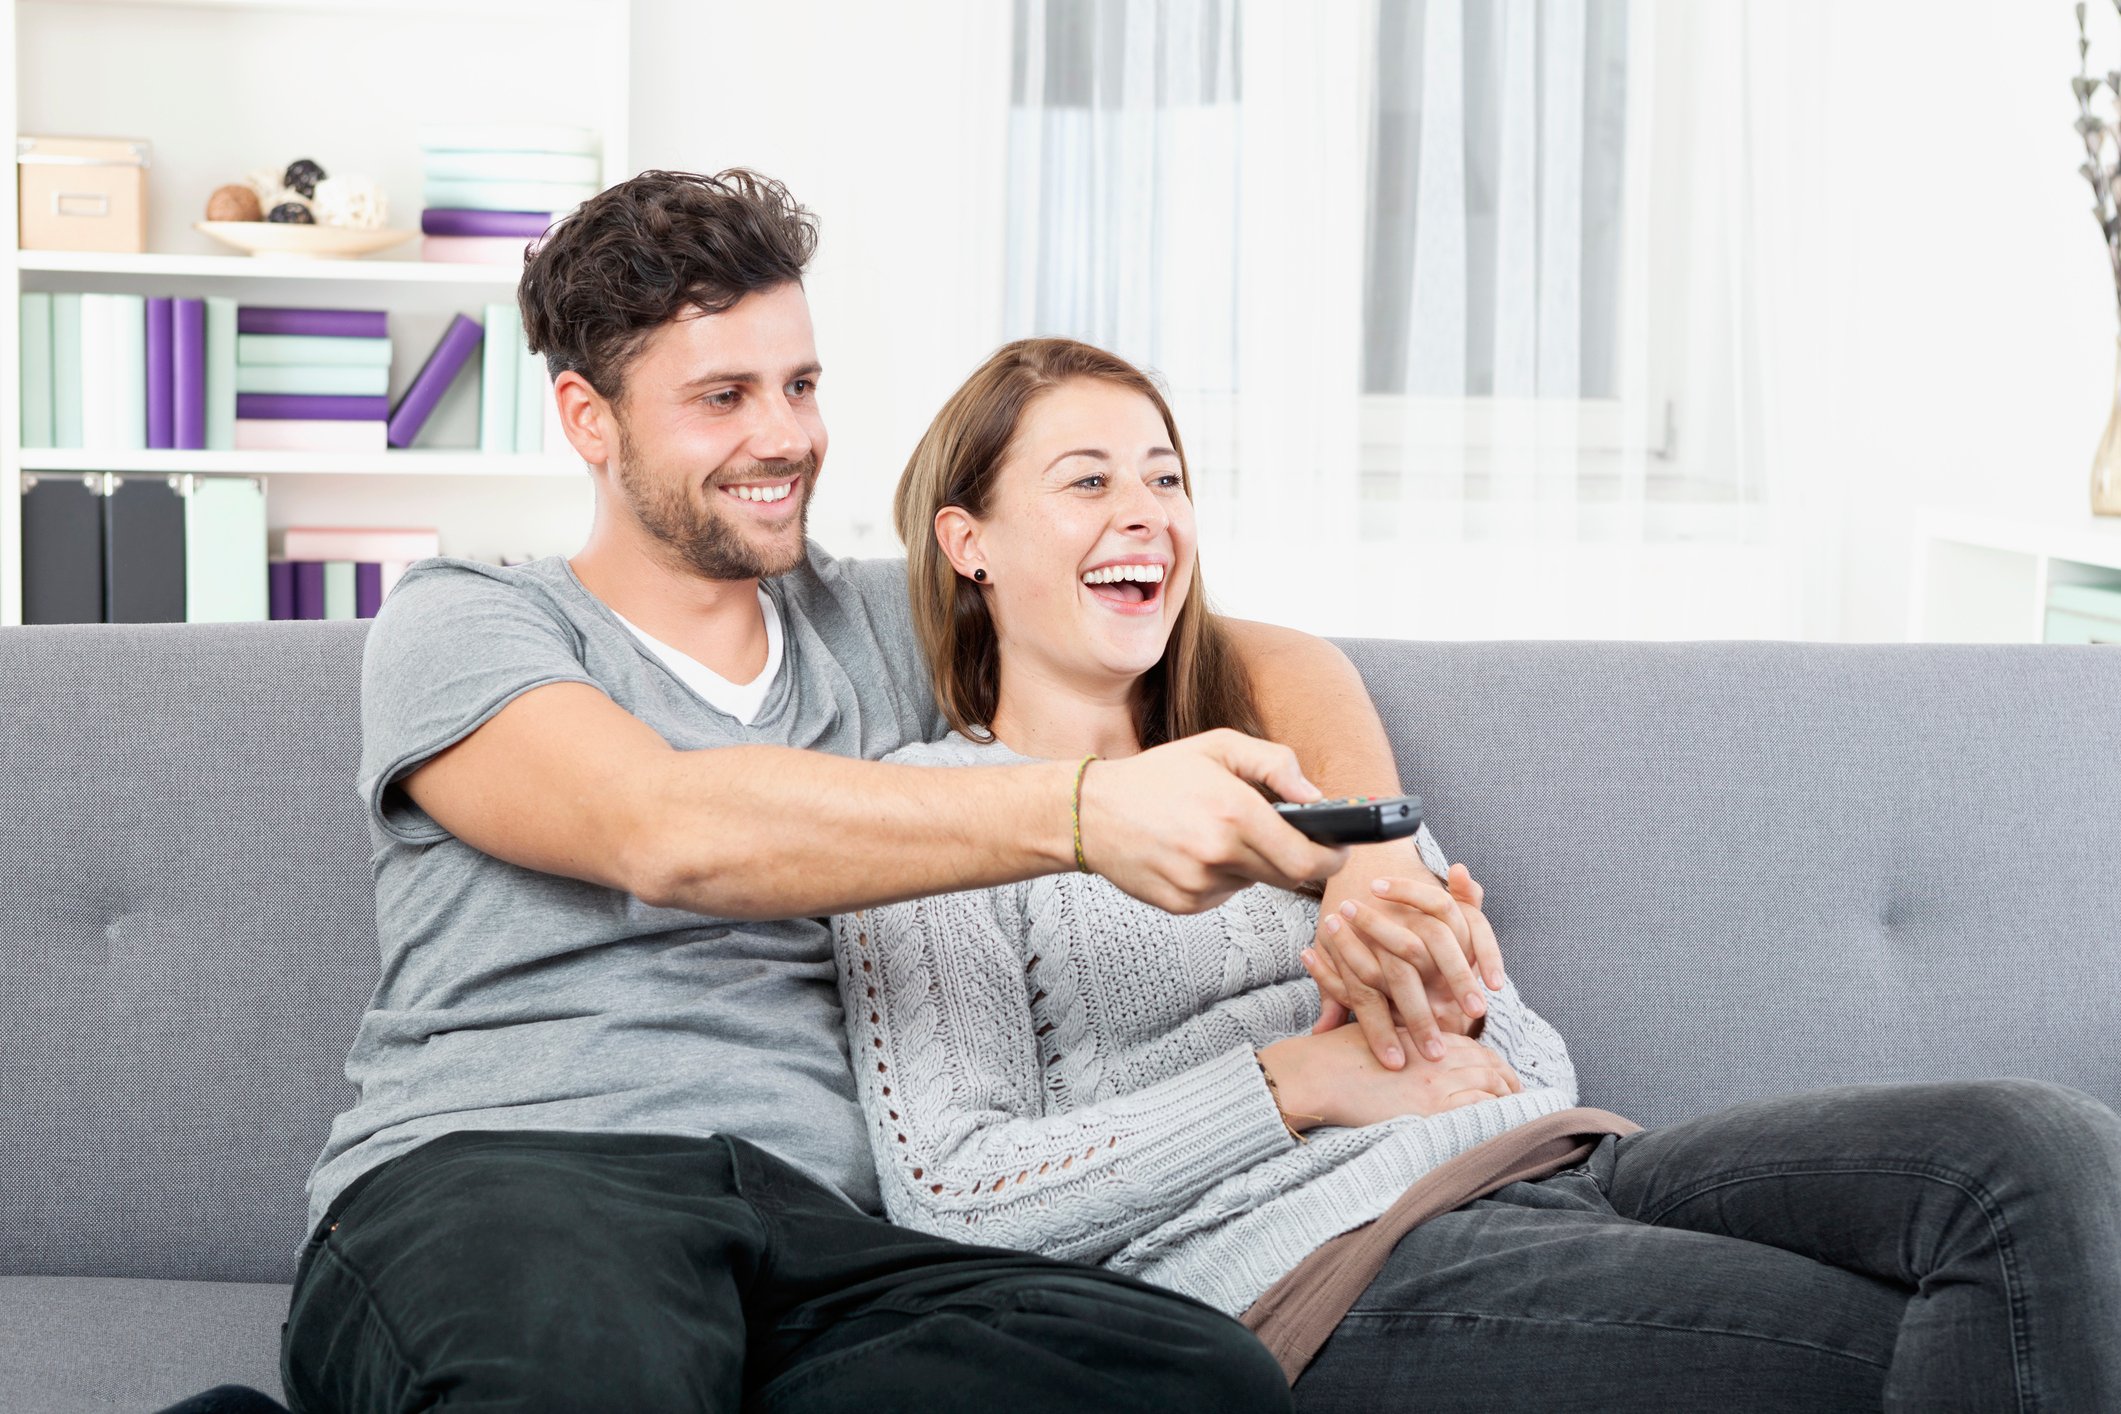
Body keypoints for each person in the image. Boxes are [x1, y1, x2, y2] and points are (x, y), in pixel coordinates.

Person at [275, 167, 1476, 1414]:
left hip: (820, 1233)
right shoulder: (469, 620)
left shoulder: (864, 623)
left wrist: (1374, 860)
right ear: (590, 416)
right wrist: (1078, 814)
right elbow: (666, 828)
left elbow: (1249, 653)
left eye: (799, 386)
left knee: (1200, 1380)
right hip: (516, 1183)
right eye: (722, 397)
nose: (785, 436)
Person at [837, 335, 2121, 1412]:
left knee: (2036, 1150)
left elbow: (1522, 1053)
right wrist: (1305, 1081)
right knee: (1893, 1340)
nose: (1146, 513)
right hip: (1319, 1271)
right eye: (1087, 481)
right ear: (969, 541)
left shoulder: (1288, 765)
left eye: (1167, 476)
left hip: (1556, 1164)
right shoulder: (934, 819)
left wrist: (1446, 1007)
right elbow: (958, 1201)